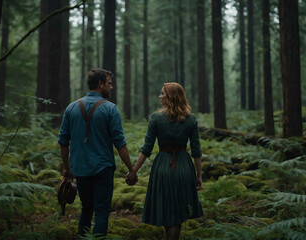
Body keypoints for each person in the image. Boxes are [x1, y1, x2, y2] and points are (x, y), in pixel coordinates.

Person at [58, 68, 137, 238]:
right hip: (103, 169)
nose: (111, 87)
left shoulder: (71, 108)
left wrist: (67, 169)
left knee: (86, 208)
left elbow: (63, 142)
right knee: (102, 211)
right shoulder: (110, 109)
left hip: (80, 169)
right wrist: (131, 169)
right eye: (109, 83)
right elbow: (120, 144)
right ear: (100, 84)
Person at [127, 82, 203, 240]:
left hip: (162, 166)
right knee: (179, 211)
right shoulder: (191, 119)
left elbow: (146, 149)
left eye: (163, 93)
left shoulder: (156, 118)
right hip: (184, 167)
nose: (159, 96)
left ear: (171, 97)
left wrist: (134, 171)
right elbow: (196, 151)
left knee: (168, 210)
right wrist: (198, 175)